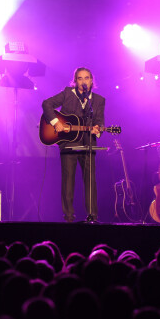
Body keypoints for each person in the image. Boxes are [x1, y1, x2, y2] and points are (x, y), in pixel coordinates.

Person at [42, 67, 105, 222]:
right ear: (75, 81)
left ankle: (92, 217)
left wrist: (97, 130)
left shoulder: (99, 100)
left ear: (92, 80)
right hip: (68, 144)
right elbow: (46, 104)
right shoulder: (67, 94)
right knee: (68, 181)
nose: (84, 81)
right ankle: (68, 217)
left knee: (90, 182)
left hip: (88, 145)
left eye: (87, 78)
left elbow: (100, 122)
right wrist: (56, 122)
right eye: (80, 78)